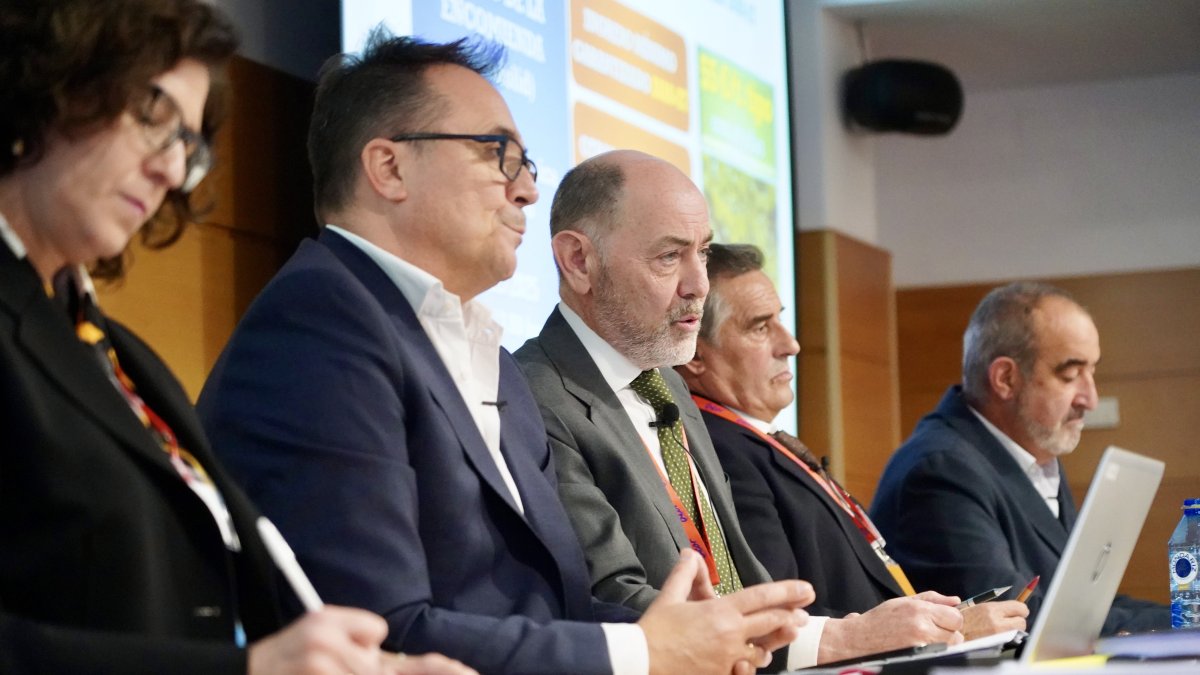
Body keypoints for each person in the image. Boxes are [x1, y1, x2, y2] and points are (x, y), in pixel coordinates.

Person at [198, 32, 811, 675]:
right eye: (498, 155)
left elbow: (559, 607)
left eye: (527, 164)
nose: (525, 191)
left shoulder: (491, 358)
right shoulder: (319, 326)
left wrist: (701, 635)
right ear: (388, 168)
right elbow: (375, 634)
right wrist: (645, 650)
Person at [0, 2, 473, 674]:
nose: (171, 170)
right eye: (153, 117)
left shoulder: (122, 355)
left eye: (187, 146)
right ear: (50, 80)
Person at [514, 150, 972, 669]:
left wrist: (851, 632)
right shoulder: (532, 394)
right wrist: (842, 640)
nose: (699, 286)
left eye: (702, 254)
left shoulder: (667, 388)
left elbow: (740, 575)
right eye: (669, 257)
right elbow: (614, 598)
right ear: (579, 261)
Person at [677, 243, 1028, 639]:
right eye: (760, 327)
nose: (790, 345)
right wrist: (949, 631)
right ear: (695, 356)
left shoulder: (754, 438)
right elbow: (774, 611)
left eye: (781, 321)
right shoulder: (719, 449)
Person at [870, 281, 1169, 636]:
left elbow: (1083, 605)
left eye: (1093, 372)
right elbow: (1023, 619)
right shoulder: (938, 471)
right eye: (1071, 374)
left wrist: (1187, 617)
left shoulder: (1034, 455)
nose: (1090, 397)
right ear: (1006, 378)